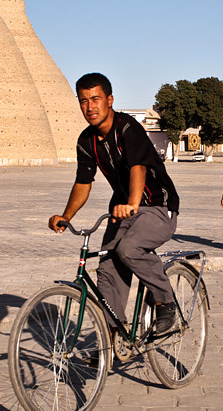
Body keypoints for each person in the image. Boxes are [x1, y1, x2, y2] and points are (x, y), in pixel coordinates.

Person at [49, 72, 181, 337]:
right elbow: (83, 182)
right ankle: (113, 336)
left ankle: (165, 302)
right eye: (84, 101)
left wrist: (132, 204)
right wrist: (66, 216)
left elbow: (138, 169)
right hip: (122, 209)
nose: (90, 107)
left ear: (109, 100)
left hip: (157, 205)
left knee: (129, 250)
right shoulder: (86, 141)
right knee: (107, 266)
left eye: (95, 99)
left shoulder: (127, 128)